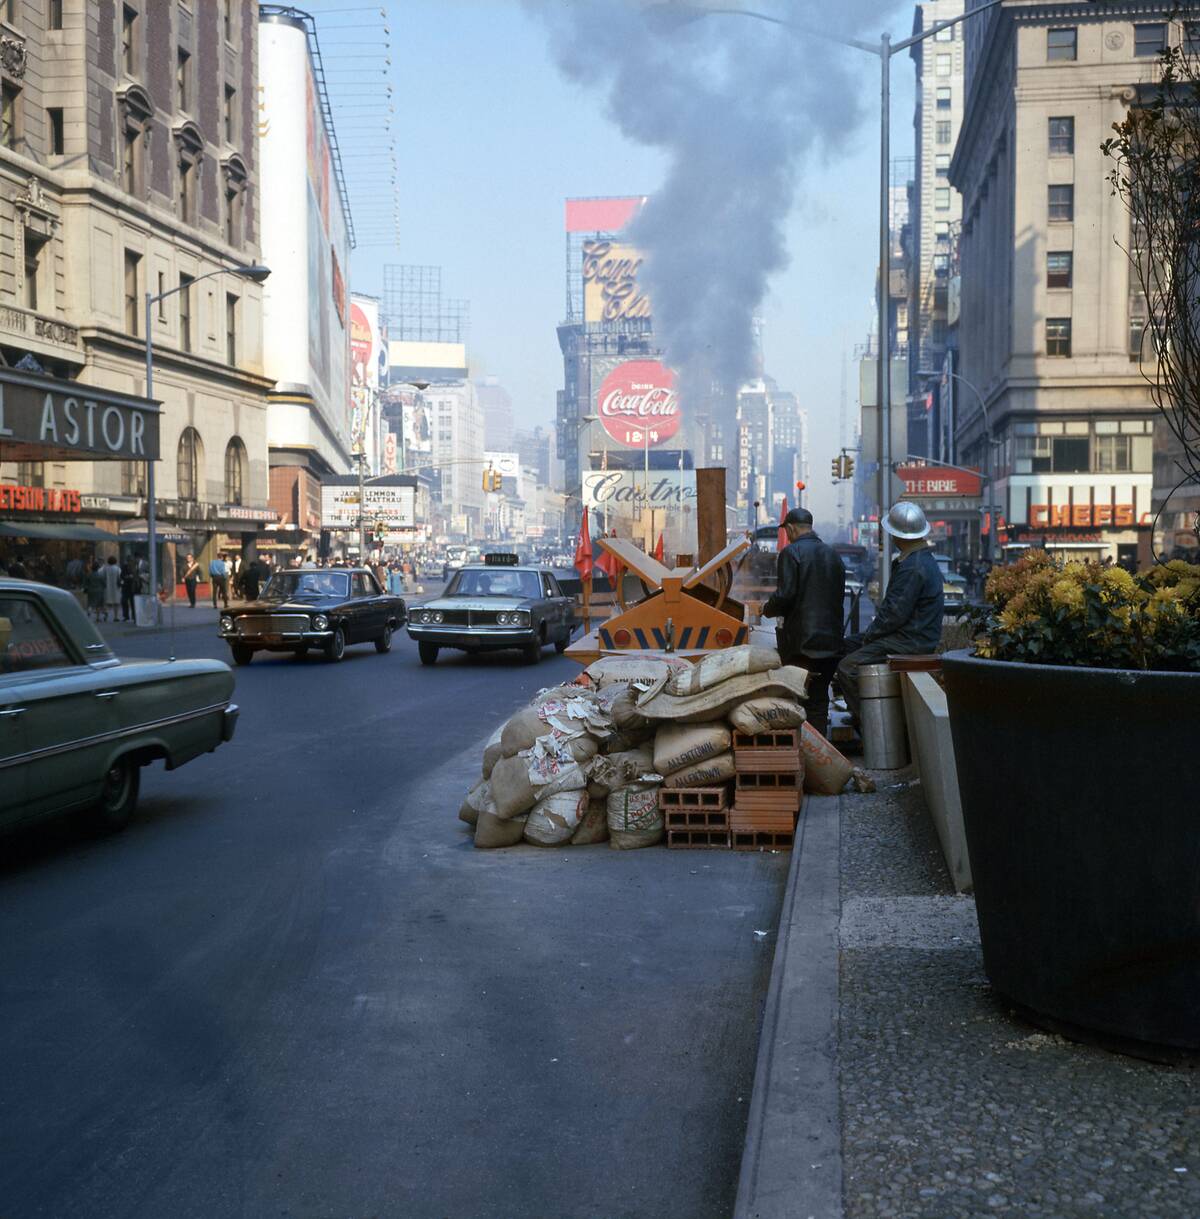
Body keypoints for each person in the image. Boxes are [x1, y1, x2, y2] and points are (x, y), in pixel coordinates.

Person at [837, 502, 945, 728]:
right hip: (908, 634)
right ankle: (860, 715)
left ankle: (870, 726)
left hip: (910, 640)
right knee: (845, 646)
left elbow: (894, 614)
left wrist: (870, 637)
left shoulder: (913, 567)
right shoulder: (916, 560)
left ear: (899, 536)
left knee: (847, 667)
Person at [761, 508, 846, 739]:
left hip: (801, 646)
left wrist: (766, 610)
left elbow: (785, 595)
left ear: (790, 528)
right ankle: (820, 755)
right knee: (819, 702)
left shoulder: (791, 553)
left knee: (797, 700)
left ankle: (800, 753)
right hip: (832, 643)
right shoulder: (833, 555)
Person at [102, 555, 121, 621]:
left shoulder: (105, 568)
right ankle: (116, 617)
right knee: (116, 603)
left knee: (107, 602)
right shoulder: (117, 569)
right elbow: (120, 578)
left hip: (107, 587)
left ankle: (106, 613)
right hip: (116, 588)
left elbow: (103, 577)